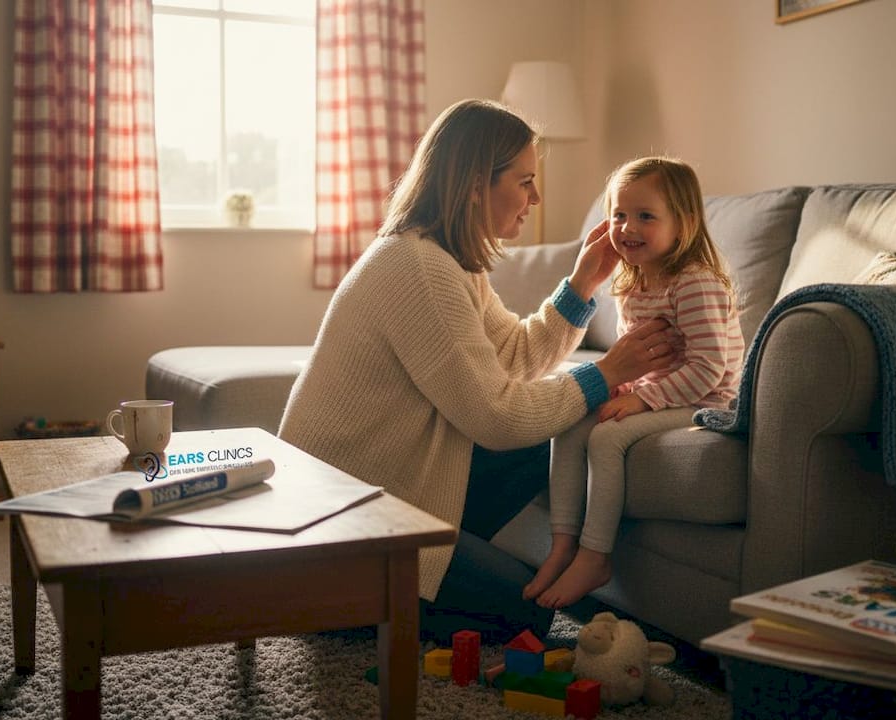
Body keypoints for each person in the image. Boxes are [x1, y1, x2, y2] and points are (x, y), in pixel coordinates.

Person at [277, 99, 677, 643]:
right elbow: (496, 417)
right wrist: (604, 374)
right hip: (341, 530)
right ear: (473, 185)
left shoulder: (446, 261)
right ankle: (351, 604)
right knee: (526, 617)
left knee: (550, 439)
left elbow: (512, 355)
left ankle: (442, 570)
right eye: (525, 180)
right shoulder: (416, 267)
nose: (535, 198)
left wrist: (583, 285)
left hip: (382, 496)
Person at [523, 156, 745, 610]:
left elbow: (708, 367)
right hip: (660, 394)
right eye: (619, 215)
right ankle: (562, 544)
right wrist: (625, 387)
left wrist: (642, 401)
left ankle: (594, 555)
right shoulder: (634, 281)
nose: (628, 227)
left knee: (606, 440)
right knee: (570, 419)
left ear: (682, 225)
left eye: (646, 216)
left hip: (705, 399)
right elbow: (636, 355)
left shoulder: (695, 282)